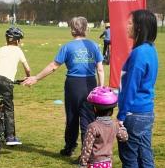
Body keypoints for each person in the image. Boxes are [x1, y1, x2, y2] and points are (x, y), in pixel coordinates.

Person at [23, 17, 105, 157]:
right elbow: (100, 69)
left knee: (72, 117)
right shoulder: (94, 46)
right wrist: (100, 88)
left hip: (73, 85)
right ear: (86, 29)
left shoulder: (67, 47)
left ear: (72, 30)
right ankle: (87, 153)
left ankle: (69, 147)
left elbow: (53, 66)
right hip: (90, 84)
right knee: (88, 119)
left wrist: (36, 78)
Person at [106, 9, 159, 168]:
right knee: (144, 157)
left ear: (139, 27)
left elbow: (130, 88)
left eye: (130, 23)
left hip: (134, 114)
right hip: (145, 112)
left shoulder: (139, 53)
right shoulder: (150, 49)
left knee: (130, 158)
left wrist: (121, 116)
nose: (126, 26)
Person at [0, 27, 31, 145]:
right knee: (9, 107)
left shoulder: (0, 49)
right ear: (17, 41)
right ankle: (10, 137)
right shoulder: (18, 50)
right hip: (6, 80)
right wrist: (28, 77)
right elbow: (27, 68)